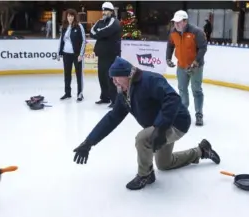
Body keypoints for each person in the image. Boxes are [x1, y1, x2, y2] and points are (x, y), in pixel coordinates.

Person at [72, 57, 220, 190]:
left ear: (128, 75)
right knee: (164, 164)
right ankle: (202, 151)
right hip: (160, 127)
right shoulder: (124, 94)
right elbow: (112, 118)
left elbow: (173, 99)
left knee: (142, 139)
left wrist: (160, 128)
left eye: (117, 77)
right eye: (112, 78)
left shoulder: (150, 80)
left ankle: (145, 175)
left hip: (176, 122)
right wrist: (89, 142)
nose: (114, 81)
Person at [166, 10, 207, 126]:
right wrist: (168, 58)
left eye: (179, 22)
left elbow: (203, 48)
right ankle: (183, 113)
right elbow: (170, 45)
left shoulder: (197, 32)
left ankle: (199, 114)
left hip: (196, 67)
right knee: (182, 90)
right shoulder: (173, 32)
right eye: (175, 22)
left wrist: (195, 62)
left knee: (196, 90)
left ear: (185, 21)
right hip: (181, 66)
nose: (176, 25)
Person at [90, 1, 122, 108]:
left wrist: (99, 33)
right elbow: (92, 32)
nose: (104, 12)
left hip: (112, 55)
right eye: (103, 10)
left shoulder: (115, 21)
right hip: (102, 55)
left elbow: (106, 31)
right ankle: (105, 97)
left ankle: (114, 100)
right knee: (102, 77)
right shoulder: (100, 21)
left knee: (111, 78)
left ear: (111, 11)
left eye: (106, 10)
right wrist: (100, 34)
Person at [57, 9, 86, 102]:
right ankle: (67, 93)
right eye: (68, 16)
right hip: (66, 54)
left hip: (76, 55)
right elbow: (61, 41)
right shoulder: (64, 27)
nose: (70, 18)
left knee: (79, 75)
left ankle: (80, 94)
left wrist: (81, 54)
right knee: (67, 74)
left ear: (74, 17)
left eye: (72, 16)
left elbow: (84, 41)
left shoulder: (79, 26)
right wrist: (59, 52)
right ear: (66, 17)